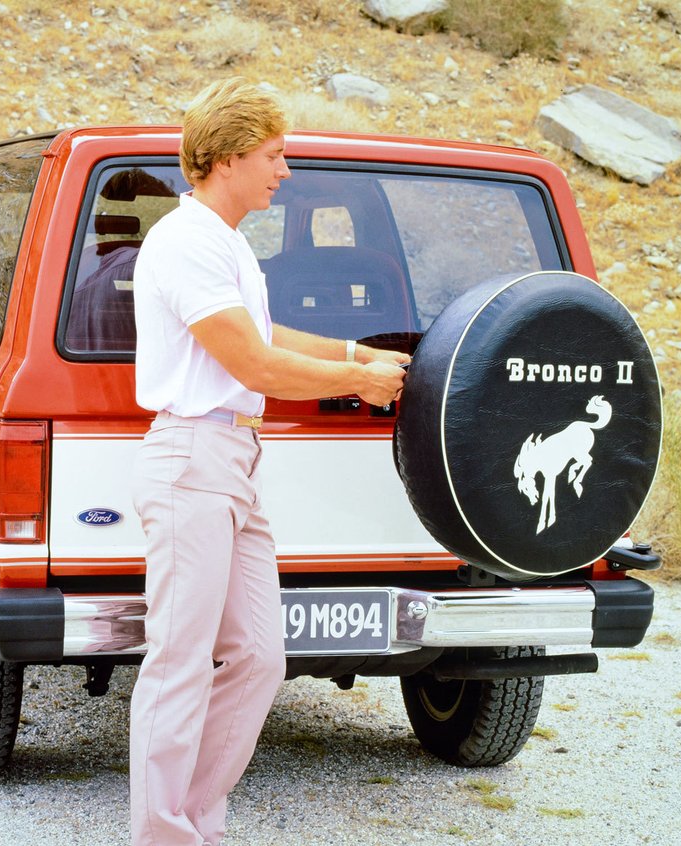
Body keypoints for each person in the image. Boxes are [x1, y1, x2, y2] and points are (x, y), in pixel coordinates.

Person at [129, 77, 409, 846]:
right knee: (180, 665)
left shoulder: (224, 245)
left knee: (258, 656)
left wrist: (362, 352)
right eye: (274, 156)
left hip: (232, 461)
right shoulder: (185, 242)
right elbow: (252, 362)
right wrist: (357, 381)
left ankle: (193, 824)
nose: (285, 172)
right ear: (225, 158)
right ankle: (163, 836)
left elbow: (271, 335)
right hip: (193, 457)